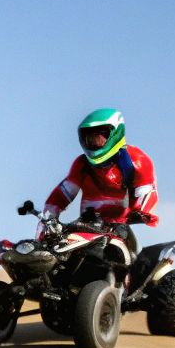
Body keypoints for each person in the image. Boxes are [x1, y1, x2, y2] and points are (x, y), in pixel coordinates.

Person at [43, 108, 160, 258]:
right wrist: (49, 215)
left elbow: (147, 192)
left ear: (115, 133)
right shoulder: (81, 164)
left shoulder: (136, 160)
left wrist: (139, 213)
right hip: (86, 226)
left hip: (120, 227)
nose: (94, 143)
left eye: (100, 138)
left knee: (133, 260)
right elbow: (64, 192)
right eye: (90, 139)